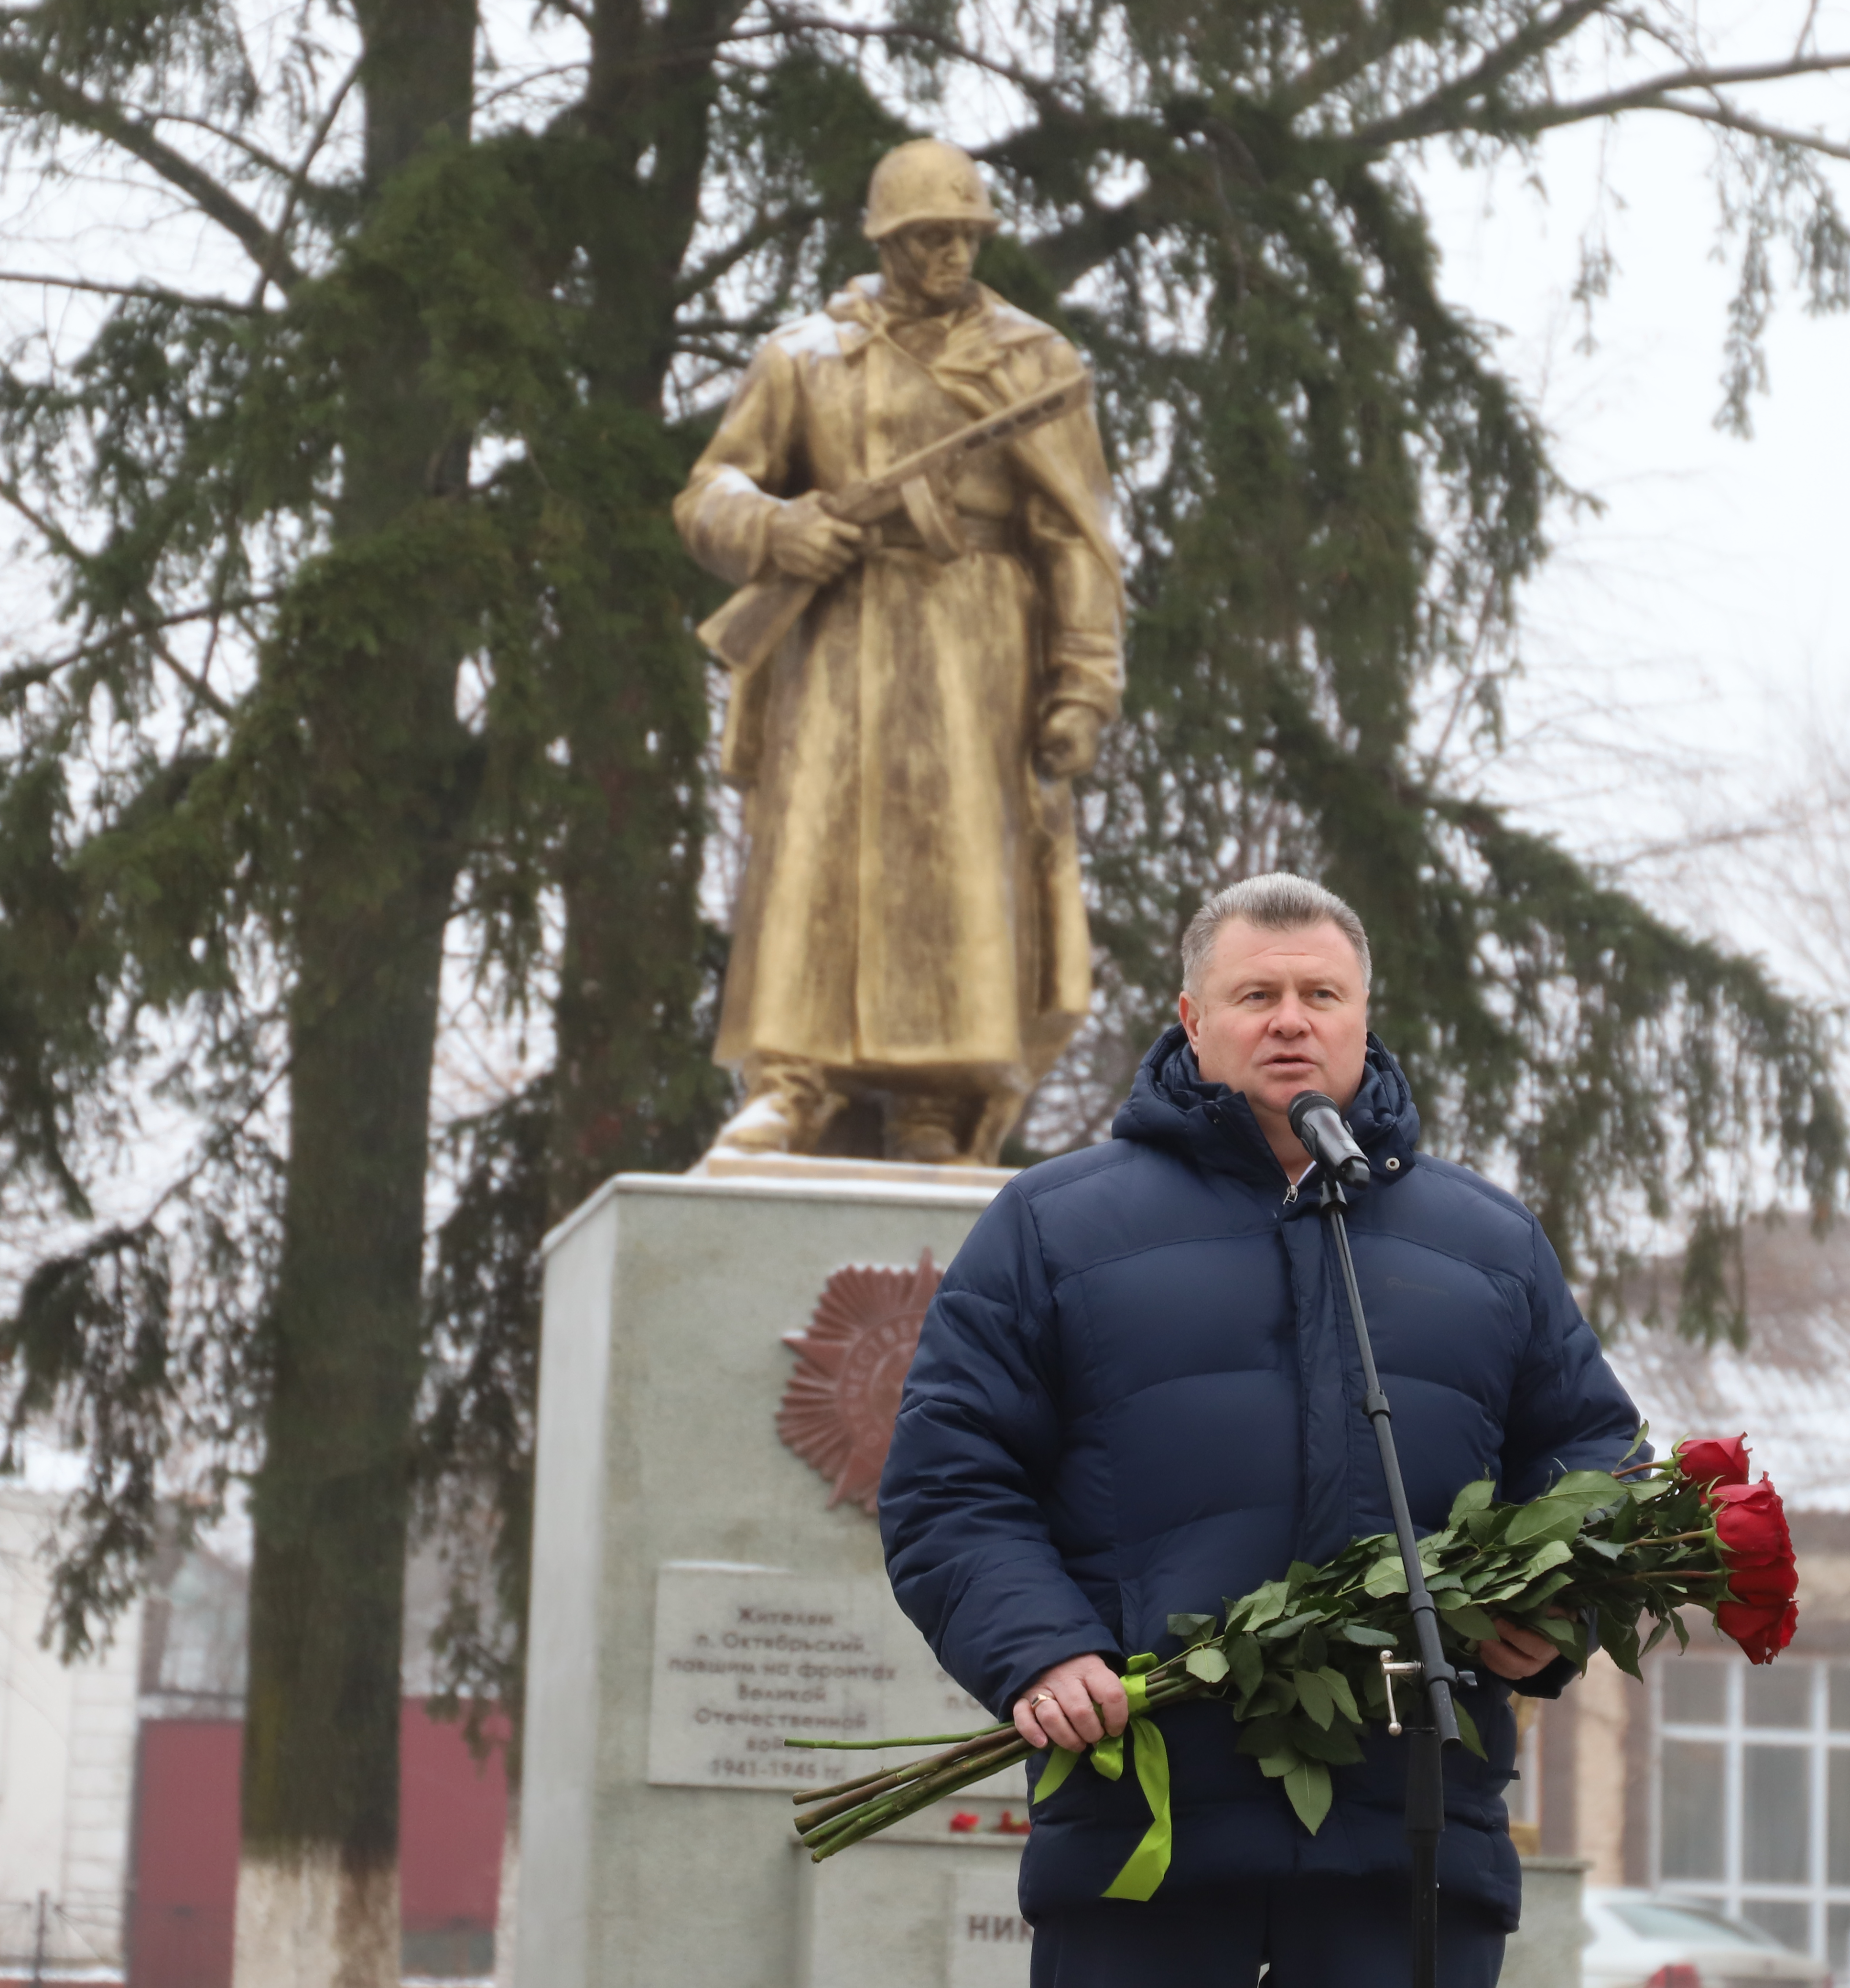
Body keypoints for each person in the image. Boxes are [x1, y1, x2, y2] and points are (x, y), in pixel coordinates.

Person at [878, 873, 1646, 1987]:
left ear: (1362, 1015)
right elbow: (949, 1479)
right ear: (1193, 1021)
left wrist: (1554, 1604)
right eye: (1257, 994)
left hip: (1411, 1840)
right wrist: (1038, 1648)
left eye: (1320, 993)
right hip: (1146, 1834)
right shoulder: (1052, 1226)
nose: (1291, 1019)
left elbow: (1592, 1458)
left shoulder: (1486, 1242)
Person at [675, 137, 1123, 1168]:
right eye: (928, 240)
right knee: (814, 857)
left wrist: (1082, 687)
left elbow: (1077, 541)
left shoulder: (1034, 363)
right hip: (837, 638)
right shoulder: (804, 355)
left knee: (960, 868)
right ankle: (790, 1084)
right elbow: (711, 493)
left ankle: (936, 1099)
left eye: (965, 238)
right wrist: (781, 531)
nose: (951, 258)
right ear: (885, 241)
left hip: (982, 651)